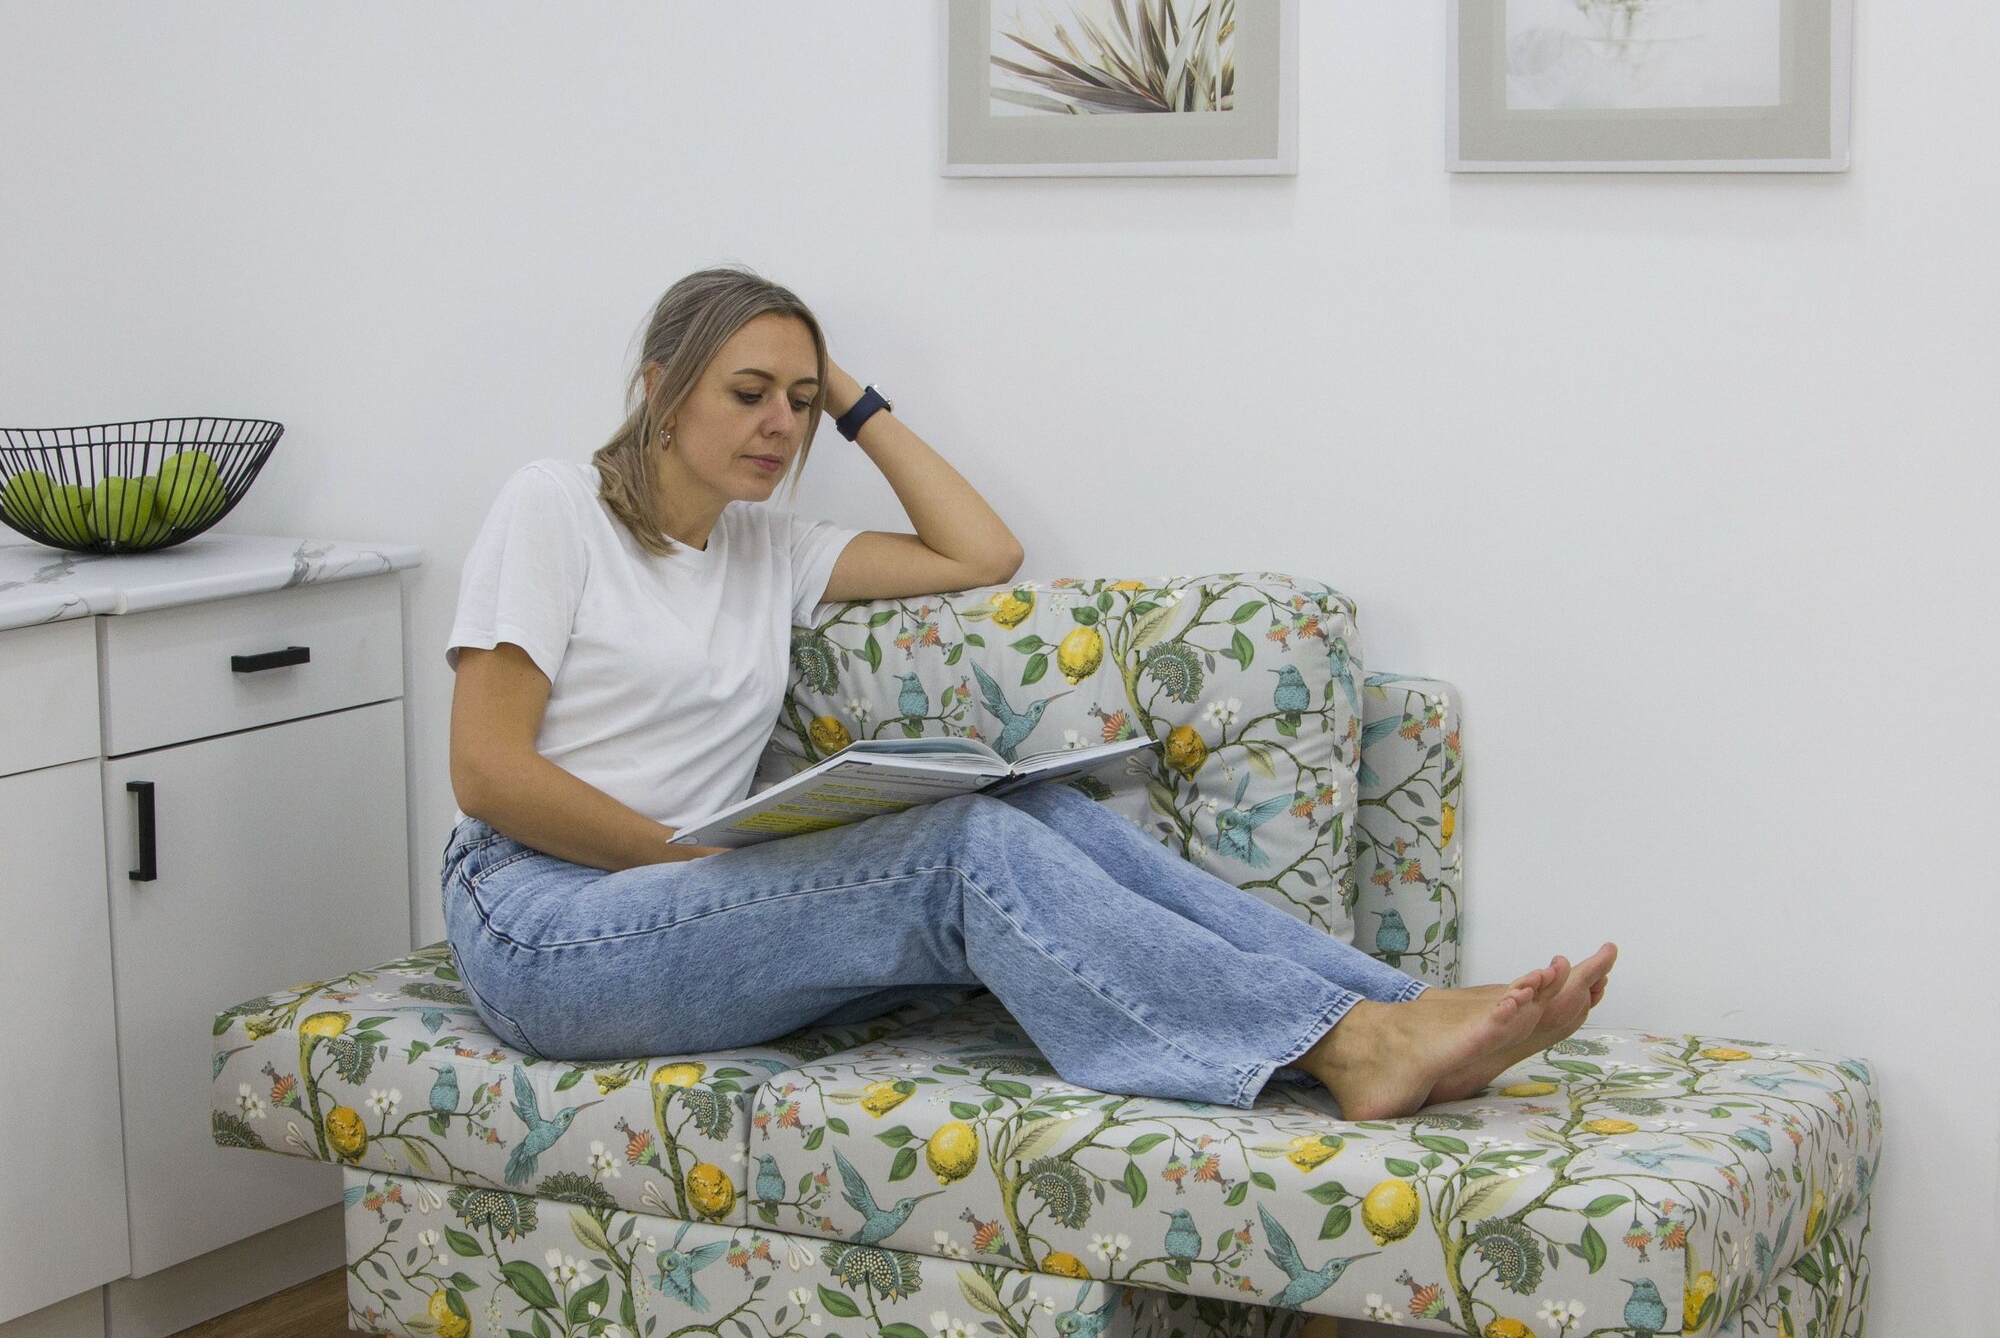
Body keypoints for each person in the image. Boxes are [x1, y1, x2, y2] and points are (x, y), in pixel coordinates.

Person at [443, 266, 1615, 1120]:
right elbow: (487, 771)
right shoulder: (555, 507)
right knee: (956, 852)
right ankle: (1347, 1048)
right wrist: (690, 858)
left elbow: (979, 550)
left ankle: (1402, 1009)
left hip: (676, 898)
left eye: (797, 401)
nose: (779, 425)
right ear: (660, 387)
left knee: (1034, 810)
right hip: (541, 918)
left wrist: (846, 389)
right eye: (748, 390)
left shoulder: (765, 547)